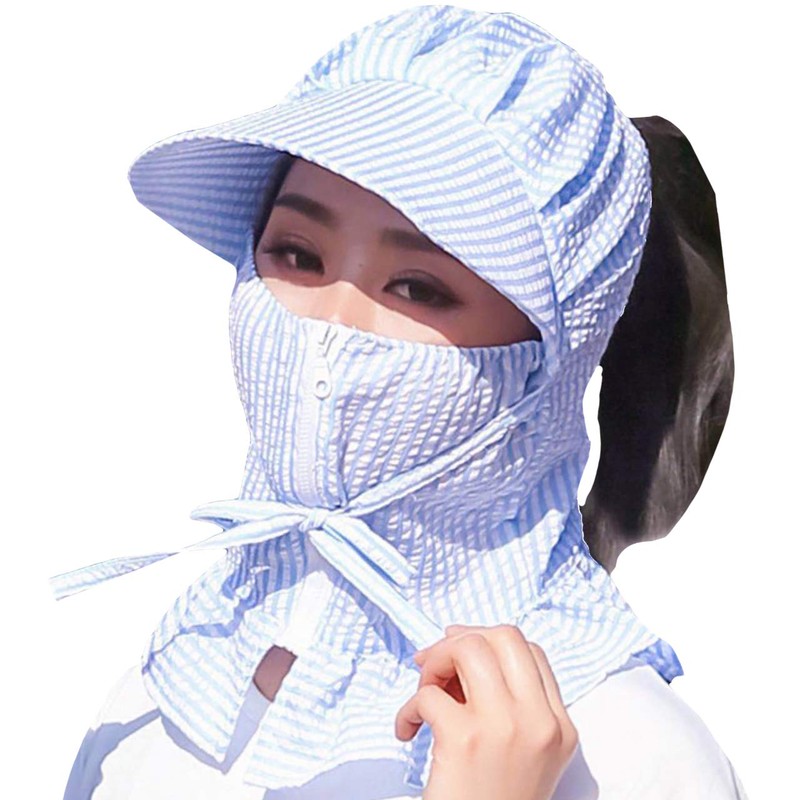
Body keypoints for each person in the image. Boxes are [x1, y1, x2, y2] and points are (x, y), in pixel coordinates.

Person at [55, 6, 745, 799]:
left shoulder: (633, 755)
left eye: (419, 287)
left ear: (549, 365)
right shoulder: (172, 683)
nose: (331, 323)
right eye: (296, 253)